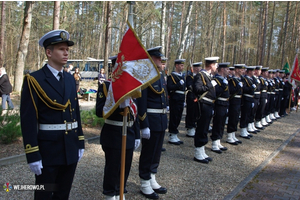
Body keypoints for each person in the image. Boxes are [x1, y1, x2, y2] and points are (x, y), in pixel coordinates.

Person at [20, 29, 85, 200]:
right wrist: (32, 154)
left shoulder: (70, 79)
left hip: (70, 146)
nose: (66, 53)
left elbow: (75, 112)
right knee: (44, 193)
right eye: (61, 49)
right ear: (49, 52)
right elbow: (28, 120)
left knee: (63, 193)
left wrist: (80, 140)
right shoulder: (34, 80)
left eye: (67, 49)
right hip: (48, 149)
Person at [96, 55, 140, 200]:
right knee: (113, 167)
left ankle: (121, 192)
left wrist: (138, 134)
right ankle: (110, 194)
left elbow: (135, 113)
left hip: (129, 131)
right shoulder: (106, 86)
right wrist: (116, 104)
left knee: (125, 167)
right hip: (113, 133)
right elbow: (99, 111)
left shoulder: (131, 87)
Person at [138, 46, 168, 199]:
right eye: (158, 58)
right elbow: (141, 103)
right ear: (150, 58)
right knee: (148, 153)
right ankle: (144, 182)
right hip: (150, 120)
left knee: (156, 153)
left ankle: (152, 177)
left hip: (161, 120)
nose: (160, 60)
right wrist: (144, 125)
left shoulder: (160, 75)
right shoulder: (145, 75)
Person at [193, 56, 219, 164]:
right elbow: (197, 89)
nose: (217, 67)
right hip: (203, 105)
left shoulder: (208, 76)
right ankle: (198, 152)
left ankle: (202, 150)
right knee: (201, 128)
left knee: (205, 128)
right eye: (216, 64)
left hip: (209, 105)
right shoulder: (200, 75)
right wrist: (210, 85)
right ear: (211, 65)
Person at [210, 62, 230, 154]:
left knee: (222, 123)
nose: (228, 71)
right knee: (217, 123)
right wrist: (223, 85)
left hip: (225, 103)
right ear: (222, 69)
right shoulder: (215, 80)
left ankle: (218, 141)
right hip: (218, 103)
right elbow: (215, 92)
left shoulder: (224, 79)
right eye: (227, 69)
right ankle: (214, 143)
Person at [167, 59, 186, 145]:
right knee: (174, 116)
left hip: (181, 98)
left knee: (178, 116)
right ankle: (172, 134)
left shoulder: (182, 76)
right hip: (175, 99)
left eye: (183, 65)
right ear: (177, 66)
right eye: (181, 65)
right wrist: (179, 84)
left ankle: (175, 133)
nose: (182, 67)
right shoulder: (171, 76)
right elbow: (170, 87)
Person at [226, 64, 245, 145]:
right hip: (233, 101)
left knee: (236, 118)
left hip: (238, 100)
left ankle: (233, 134)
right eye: (241, 70)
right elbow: (231, 91)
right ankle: (230, 136)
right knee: (232, 117)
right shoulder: (232, 80)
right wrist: (238, 87)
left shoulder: (240, 80)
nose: (243, 71)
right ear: (237, 70)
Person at [185, 62, 202, 137]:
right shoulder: (190, 76)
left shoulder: (200, 76)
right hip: (191, 96)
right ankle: (190, 127)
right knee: (191, 112)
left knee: (196, 112)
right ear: (195, 68)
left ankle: (194, 125)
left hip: (198, 96)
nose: (200, 69)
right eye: (198, 68)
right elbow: (190, 86)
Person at [239, 66, 256, 138]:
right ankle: (242, 130)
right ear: (249, 71)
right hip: (245, 99)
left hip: (250, 99)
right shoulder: (244, 79)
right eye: (252, 71)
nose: (254, 72)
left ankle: (245, 129)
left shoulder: (251, 79)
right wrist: (251, 88)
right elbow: (244, 89)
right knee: (244, 115)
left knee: (248, 114)